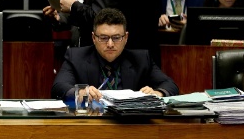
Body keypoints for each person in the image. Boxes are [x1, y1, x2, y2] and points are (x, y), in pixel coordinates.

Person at [50, 8, 178, 102]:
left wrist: (157, 93)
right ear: (94, 38)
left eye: (116, 38)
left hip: (130, 128)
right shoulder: (76, 57)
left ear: (126, 37)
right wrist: (80, 92)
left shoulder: (141, 59)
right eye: (104, 38)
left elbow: (170, 85)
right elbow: (58, 87)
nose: (110, 44)